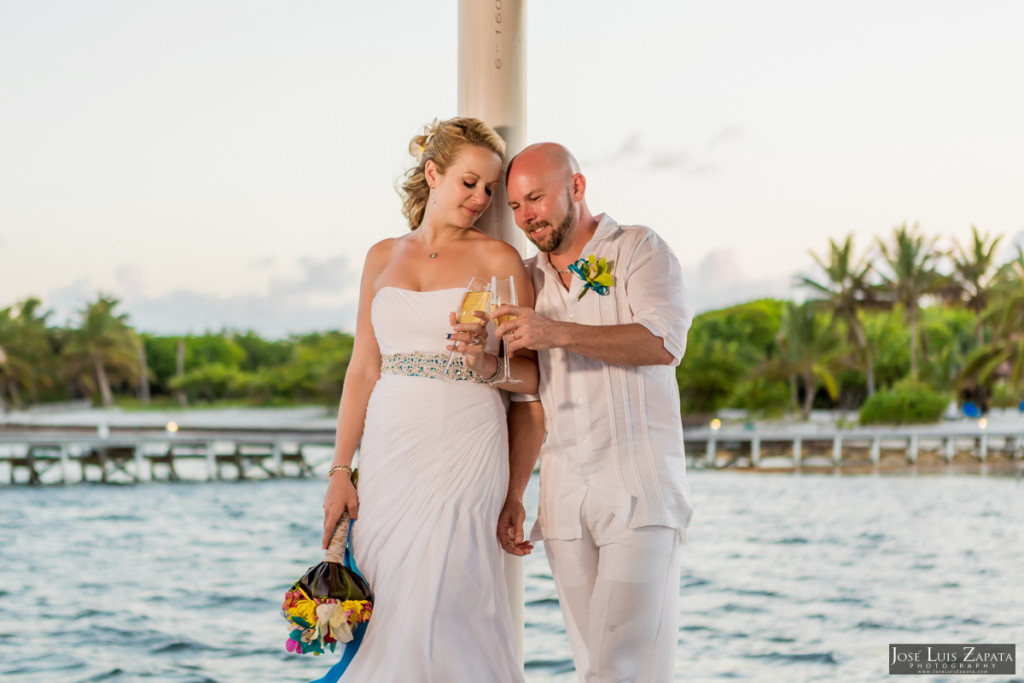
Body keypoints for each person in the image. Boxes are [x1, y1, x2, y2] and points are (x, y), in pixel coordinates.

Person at [320, 117, 538, 682]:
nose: (481, 198)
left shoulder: (500, 260)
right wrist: (341, 469)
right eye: (470, 182)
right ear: (433, 172)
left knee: (447, 594)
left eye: (490, 188)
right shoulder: (380, 257)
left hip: (465, 444)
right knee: (387, 594)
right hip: (391, 451)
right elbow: (363, 369)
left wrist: (488, 364)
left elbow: (532, 380)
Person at [493, 143, 694, 682]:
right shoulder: (527, 281)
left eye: (535, 198)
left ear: (576, 188)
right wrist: (514, 494)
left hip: (639, 493)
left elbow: (662, 342)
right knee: (594, 664)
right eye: (515, 207)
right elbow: (530, 402)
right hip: (562, 502)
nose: (525, 216)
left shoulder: (639, 249)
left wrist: (552, 331)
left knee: (621, 667)